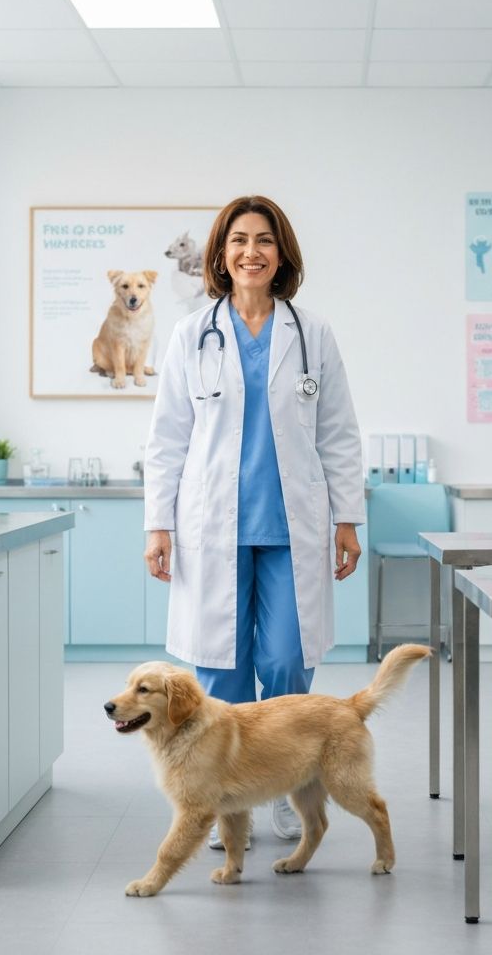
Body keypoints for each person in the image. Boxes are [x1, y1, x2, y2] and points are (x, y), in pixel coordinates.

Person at [143, 195, 365, 846]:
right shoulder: (192, 334)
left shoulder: (311, 333)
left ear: (281, 254)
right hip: (212, 527)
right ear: (220, 255)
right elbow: (167, 438)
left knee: (286, 661)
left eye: (264, 240)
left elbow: (339, 433)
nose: (251, 251)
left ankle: (285, 787)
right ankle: (220, 801)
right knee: (220, 671)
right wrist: (158, 523)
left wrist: (348, 517)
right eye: (238, 240)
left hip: (290, 526)